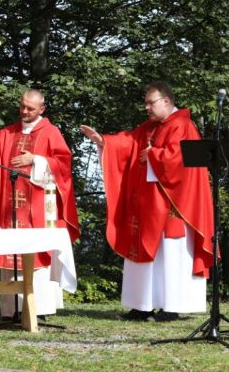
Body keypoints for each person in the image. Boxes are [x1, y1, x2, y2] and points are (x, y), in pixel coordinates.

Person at [80, 81, 214, 321]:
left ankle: (172, 307)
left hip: (173, 205)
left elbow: (181, 161)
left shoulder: (182, 125)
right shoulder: (150, 127)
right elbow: (128, 141)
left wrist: (153, 154)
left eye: (151, 103)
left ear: (166, 101)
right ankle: (142, 305)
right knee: (143, 253)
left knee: (170, 257)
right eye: (146, 103)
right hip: (147, 205)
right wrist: (104, 141)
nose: (147, 108)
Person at [0, 89, 80, 320]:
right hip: (11, 208)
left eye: (30, 108)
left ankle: (38, 310)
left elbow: (63, 164)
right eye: (22, 106)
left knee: (37, 255)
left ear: (42, 109)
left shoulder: (51, 132)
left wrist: (36, 160)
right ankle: (11, 310)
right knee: (11, 254)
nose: (25, 111)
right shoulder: (6, 133)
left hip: (38, 208)